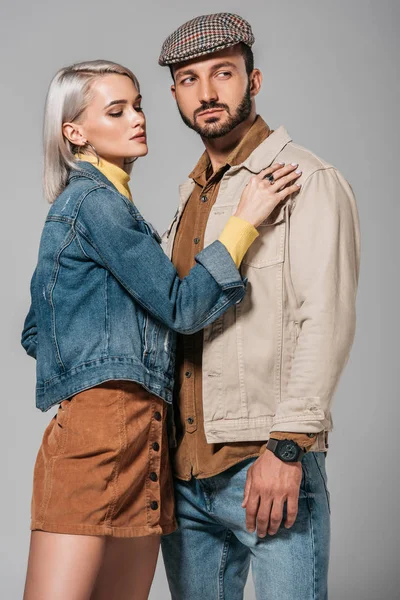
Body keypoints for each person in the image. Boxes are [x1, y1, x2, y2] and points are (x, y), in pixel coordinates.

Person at [20, 60, 300, 600]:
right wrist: (246, 220)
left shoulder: (117, 208)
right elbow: (183, 307)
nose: (138, 118)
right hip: (100, 436)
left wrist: (106, 356)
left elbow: (41, 328)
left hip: (149, 435)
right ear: (74, 132)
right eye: (117, 110)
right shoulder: (92, 203)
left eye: (140, 104)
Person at [158, 13, 360, 600]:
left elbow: (325, 318)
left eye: (223, 73)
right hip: (186, 476)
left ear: (255, 79)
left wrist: (288, 445)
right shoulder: (188, 195)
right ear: (175, 93)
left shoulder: (307, 179)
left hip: (265, 464)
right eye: (190, 79)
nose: (208, 92)